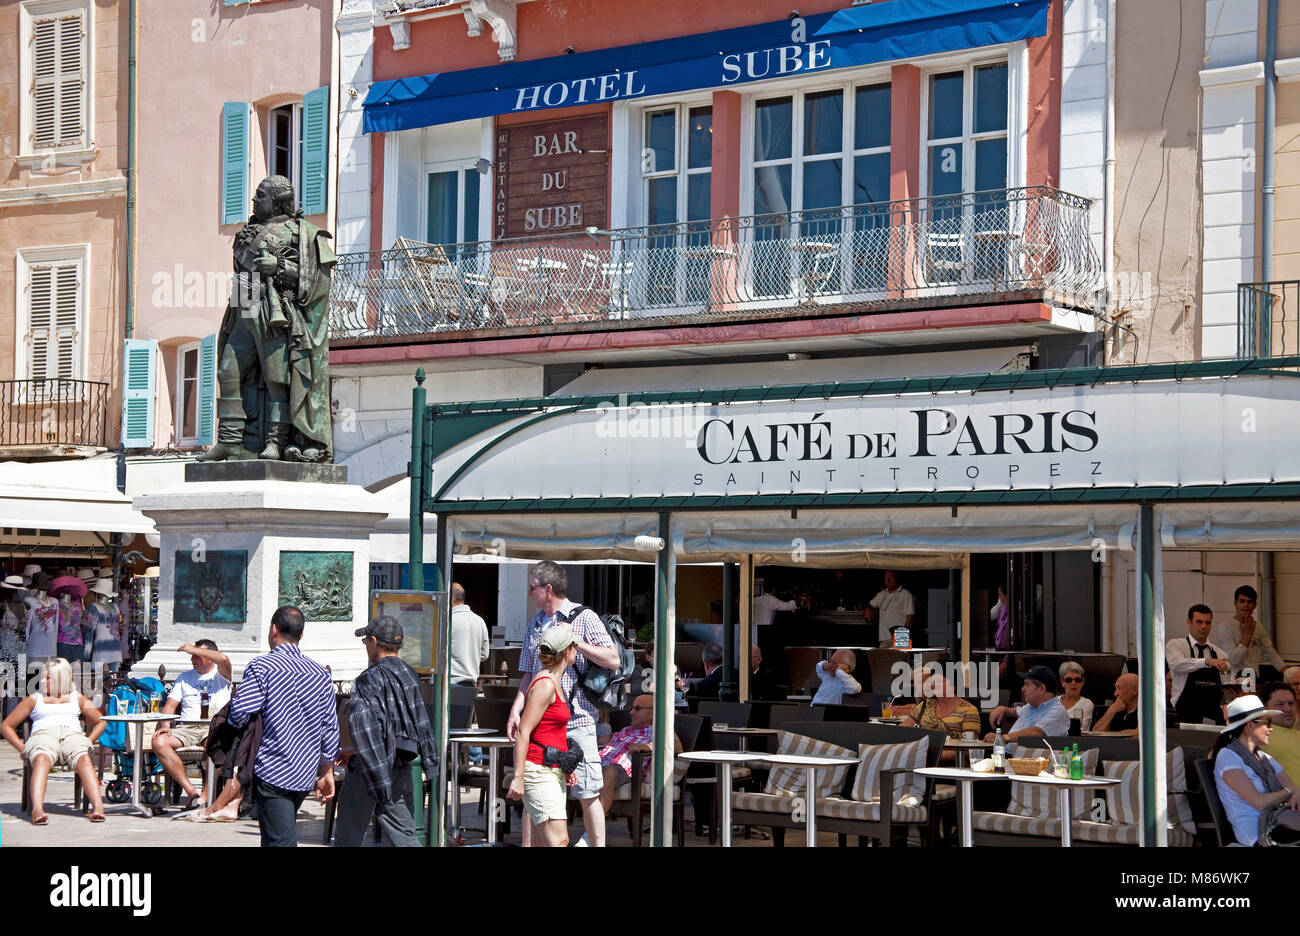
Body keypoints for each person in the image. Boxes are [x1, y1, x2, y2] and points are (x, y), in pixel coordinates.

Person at [202, 175, 336, 462]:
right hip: (242, 306)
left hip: (275, 311)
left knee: (277, 378)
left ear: (276, 200)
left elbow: (317, 281)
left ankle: (275, 442)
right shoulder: (246, 232)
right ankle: (229, 441)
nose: (253, 200)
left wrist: (280, 266)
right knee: (228, 371)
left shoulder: (301, 233)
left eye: (260, 195)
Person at [508, 560, 619, 847]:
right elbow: (528, 673)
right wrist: (516, 709)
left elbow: (613, 660)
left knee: (588, 791)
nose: (529, 593)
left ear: (547, 589)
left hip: (579, 720)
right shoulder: (535, 624)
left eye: (532, 588)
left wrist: (574, 642)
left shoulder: (584, 616)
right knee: (540, 796)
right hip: (545, 726)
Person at [227, 605, 338, 847]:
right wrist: (326, 770)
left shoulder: (263, 667)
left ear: (273, 629)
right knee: (274, 836)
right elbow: (330, 725)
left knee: (279, 841)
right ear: (301, 634)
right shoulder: (319, 673)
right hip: (304, 771)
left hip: (273, 767)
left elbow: (240, 712)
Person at [333, 616, 438, 847]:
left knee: (348, 833)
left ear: (373, 641)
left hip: (372, 766)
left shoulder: (368, 679)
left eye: (365, 642)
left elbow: (367, 730)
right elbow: (412, 722)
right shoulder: (410, 674)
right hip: (400, 764)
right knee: (404, 834)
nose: (366, 647)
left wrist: (363, 757)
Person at [1, 658, 106, 824]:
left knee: (84, 758)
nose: (42, 681)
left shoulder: (76, 698)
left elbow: (101, 720)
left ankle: (98, 807)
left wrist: (89, 740)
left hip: (72, 735)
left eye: (47, 677)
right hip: (44, 735)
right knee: (41, 759)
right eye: (43, 676)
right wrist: (22, 748)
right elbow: (6, 726)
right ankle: (37, 809)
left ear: (61, 678)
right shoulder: (34, 699)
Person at [507, 624, 578, 847]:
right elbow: (523, 731)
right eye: (574, 646)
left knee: (544, 842)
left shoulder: (553, 681)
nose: (576, 650)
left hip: (550, 768)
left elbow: (552, 731)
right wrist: (518, 777)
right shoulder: (545, 684)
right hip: (537, 770)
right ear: (567, 651)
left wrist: (564, 766)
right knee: (559, 840)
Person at [152, 640, 233, 808]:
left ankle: (205, 795)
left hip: (213, 726)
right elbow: (170, 706)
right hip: (187, 728)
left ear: (209, 657)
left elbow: (224, 659)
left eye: (197, 655)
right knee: (159, 742)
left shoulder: (221, 675)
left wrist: (192, 648)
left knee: (216, 745)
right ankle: (190, 791)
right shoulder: (184, 677)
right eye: (192, 656)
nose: (192, 659)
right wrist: (165, 726)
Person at [1211, 694, 1300, 846]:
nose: (1271, 729)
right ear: (1250, 724)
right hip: (1259, 834)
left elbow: (1292, 787)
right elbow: (1259, 802)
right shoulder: (1227, 757)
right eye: (1267, 722)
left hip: (1281, 824)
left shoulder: (1264, 758)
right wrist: (1289, 792)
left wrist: (1292, 790)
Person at [597, 694, 683, 814]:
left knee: (608, 772)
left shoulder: (658, 731)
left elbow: (677, 747)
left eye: (637, 708)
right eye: (631, 708)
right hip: (600, 763)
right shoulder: (626, 730)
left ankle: (593, 829)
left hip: (624, 771)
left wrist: (648, 747)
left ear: (653, 712)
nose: (631, 712)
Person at [1167, 604, 1231, 725]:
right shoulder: (1176, 645)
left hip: (1213, 715)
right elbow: (1176, 664)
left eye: (1207, 623)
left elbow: (1227, 683)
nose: (1203, 627)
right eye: (1199, 622)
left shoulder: (1220, 653)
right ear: (1189, 622)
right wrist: (1206, 661)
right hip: (1184, 713)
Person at [898, 673, 979, 762]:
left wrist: (927, 756)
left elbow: (969, 750)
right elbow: (901, 732)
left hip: (951, 769)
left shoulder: (969, 710)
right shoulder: (925, 705)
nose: (933, 685)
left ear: (954, 685)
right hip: (920, 763)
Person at [1216, 585, 1286, 681]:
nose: (1246, 605)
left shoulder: (1258, 627)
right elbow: (1233, 660)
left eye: (1250, 602)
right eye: (1242, 601)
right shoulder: (1225, 627)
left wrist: (1287, 673)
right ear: (1235, 603)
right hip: (1234, 679)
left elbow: (1271, 654)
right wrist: (1246, 637)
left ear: (1255, 605)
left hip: (1254, 679)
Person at [984, 665, 1069, 742]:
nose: (1022, 689)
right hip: (1007, 754)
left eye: (1027, 685)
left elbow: (1036, 732)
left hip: (1029, 758)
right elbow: (1015, 711)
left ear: (1042, 688)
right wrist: (1003, 709)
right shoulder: (1031, 706)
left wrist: (1002, 738)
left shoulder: (1057, 711)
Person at [449, 582, 489, 687]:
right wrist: (469, 657)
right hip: (470, 683)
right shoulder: (480, 621)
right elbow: (485, 654)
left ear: (451, 599)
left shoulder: (446, 621)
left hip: (447, 683)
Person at [1260, 681, 1300, 783]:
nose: (1288, 709)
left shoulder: (1296, 734)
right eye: (1280, 704)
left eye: (1291, 703)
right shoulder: (1256, 736)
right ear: (1264, 709)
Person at [864, 570, 915, 644]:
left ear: (897, 579)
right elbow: (870, 604)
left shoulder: (905, 594)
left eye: (891, 578)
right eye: (886, 578)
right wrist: (868, 609)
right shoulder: (882, 594)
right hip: (884, 638)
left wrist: (902, 638)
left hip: (900, 637)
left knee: (900, 655)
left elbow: (910, 618)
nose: (887, 580)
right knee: (882, 655)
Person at [1058, 661, 1094, 731]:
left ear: (1083, 681)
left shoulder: (1086, 704)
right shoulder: (1053, 702)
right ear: (1062, 682)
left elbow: (1083, 730)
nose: (1073, 683)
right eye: (1069, 680)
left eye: (1078, 680)